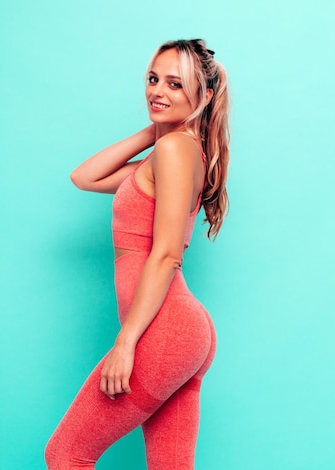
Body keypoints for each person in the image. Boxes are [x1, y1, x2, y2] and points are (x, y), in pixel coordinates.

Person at [45, 39, 229, 470]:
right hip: (184, 332)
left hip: (163, 332)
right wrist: (157, 126)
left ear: (202, 97)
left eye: (174, 84)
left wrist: (125, 343)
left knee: (67, 454)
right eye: (153, 80)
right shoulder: (173, 152)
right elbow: (85, 177)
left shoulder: (174, 150)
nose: (156, 91)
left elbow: (166, 254)